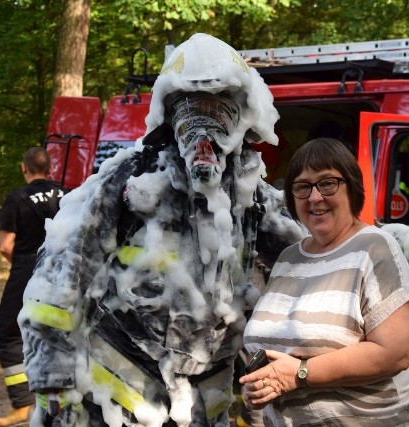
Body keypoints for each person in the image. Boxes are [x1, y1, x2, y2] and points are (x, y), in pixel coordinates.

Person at [17, 33, 305, 427]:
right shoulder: (130, 181)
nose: (204, 126)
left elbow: (318, 249)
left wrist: (398, 254)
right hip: (116, 395)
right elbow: (59, 276)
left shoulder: (252, 197)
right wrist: (52, 381)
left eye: (217, 109)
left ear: (242, 116)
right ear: (170, 118)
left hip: (203, 402)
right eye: (190, 109)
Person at [241, 137, 409, 426]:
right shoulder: (289, 257)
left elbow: (397, 351)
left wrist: (299, 374)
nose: (315, 197)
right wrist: (260, 383)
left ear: (351, 187)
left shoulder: (373, 248)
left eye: (327, 183)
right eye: (303, 187)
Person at [0, 147, 66, 427]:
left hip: (27, 268)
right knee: (60, 334)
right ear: (50, 169)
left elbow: (5, 246)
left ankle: (21, 404)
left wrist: (25, 265)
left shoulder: (17, 198)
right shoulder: (68, 193)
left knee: (9, 334)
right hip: (63, 269)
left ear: (24, 168)